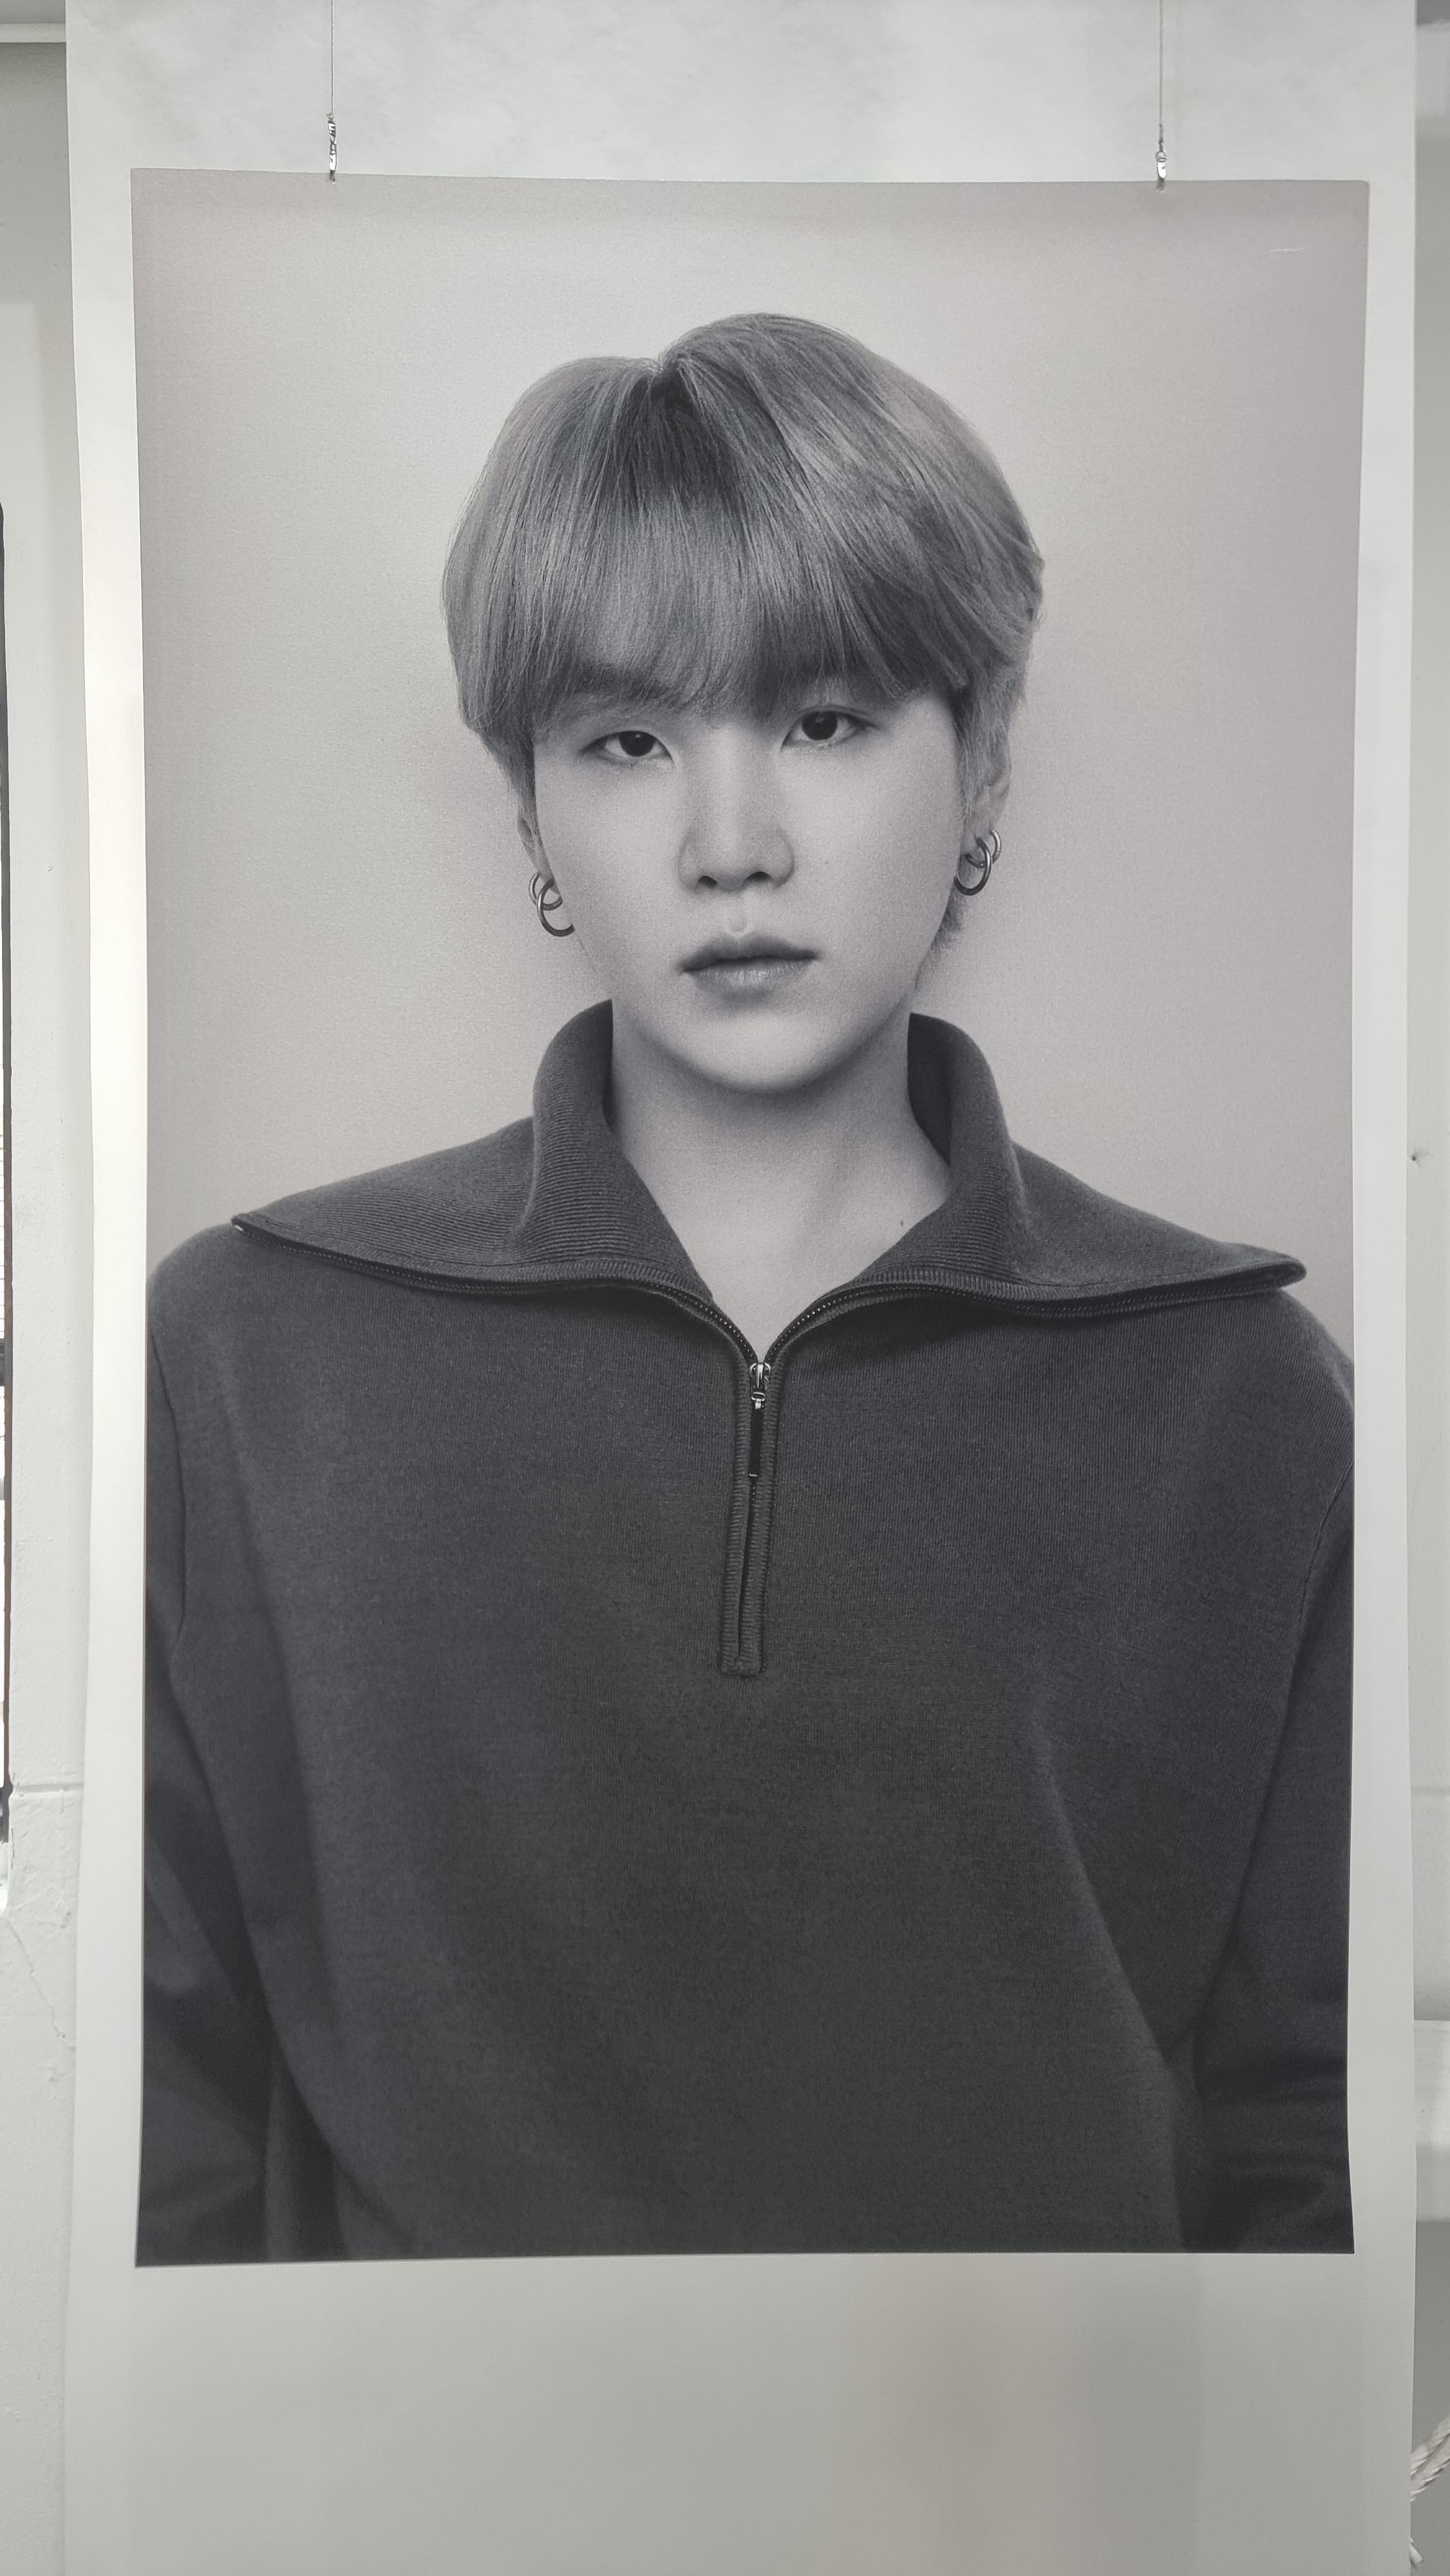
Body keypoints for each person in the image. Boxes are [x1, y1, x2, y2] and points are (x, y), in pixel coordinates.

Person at [138, 312, 1352, 2264]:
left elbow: (1306, 2140)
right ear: (528, 806)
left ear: (982, 762)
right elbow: (156, 2103)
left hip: (1047, 2461)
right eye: (626, 741)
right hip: (401, 2461)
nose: (730, 846)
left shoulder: (1243, 1395)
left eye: (827, 720)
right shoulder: (247, 1356)